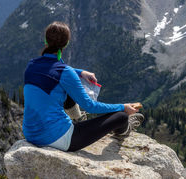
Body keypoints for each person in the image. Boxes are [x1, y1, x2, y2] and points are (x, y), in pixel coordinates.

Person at [22, 21, 144, 152]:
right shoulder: (65, 72)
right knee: (121, 117)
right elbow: (90, 106)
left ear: (46, 40)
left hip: (30, 134)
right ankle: (124, 130)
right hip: (59, 139)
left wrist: (80, 72)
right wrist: (123, 107)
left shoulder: (31, 65)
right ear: (66, 43)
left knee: (64, 89)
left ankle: (78, 118)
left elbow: (51, 71)